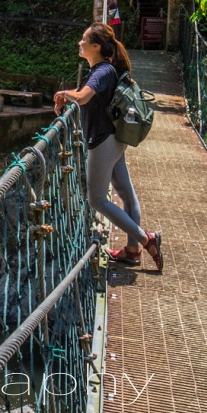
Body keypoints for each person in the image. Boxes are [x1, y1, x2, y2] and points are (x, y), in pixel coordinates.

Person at [53, 23, 163, 270]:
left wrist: (64, 93)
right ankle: (132, 252)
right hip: (115, 139)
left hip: (103, 142)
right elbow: (83, 93)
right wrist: (68, 94)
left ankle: (147, 240)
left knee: (97, 200)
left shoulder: (101, 72)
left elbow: (82, 97)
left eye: (83, 40)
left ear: (96, 46)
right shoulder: (104, 70)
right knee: (126, 194)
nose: (79, 43)